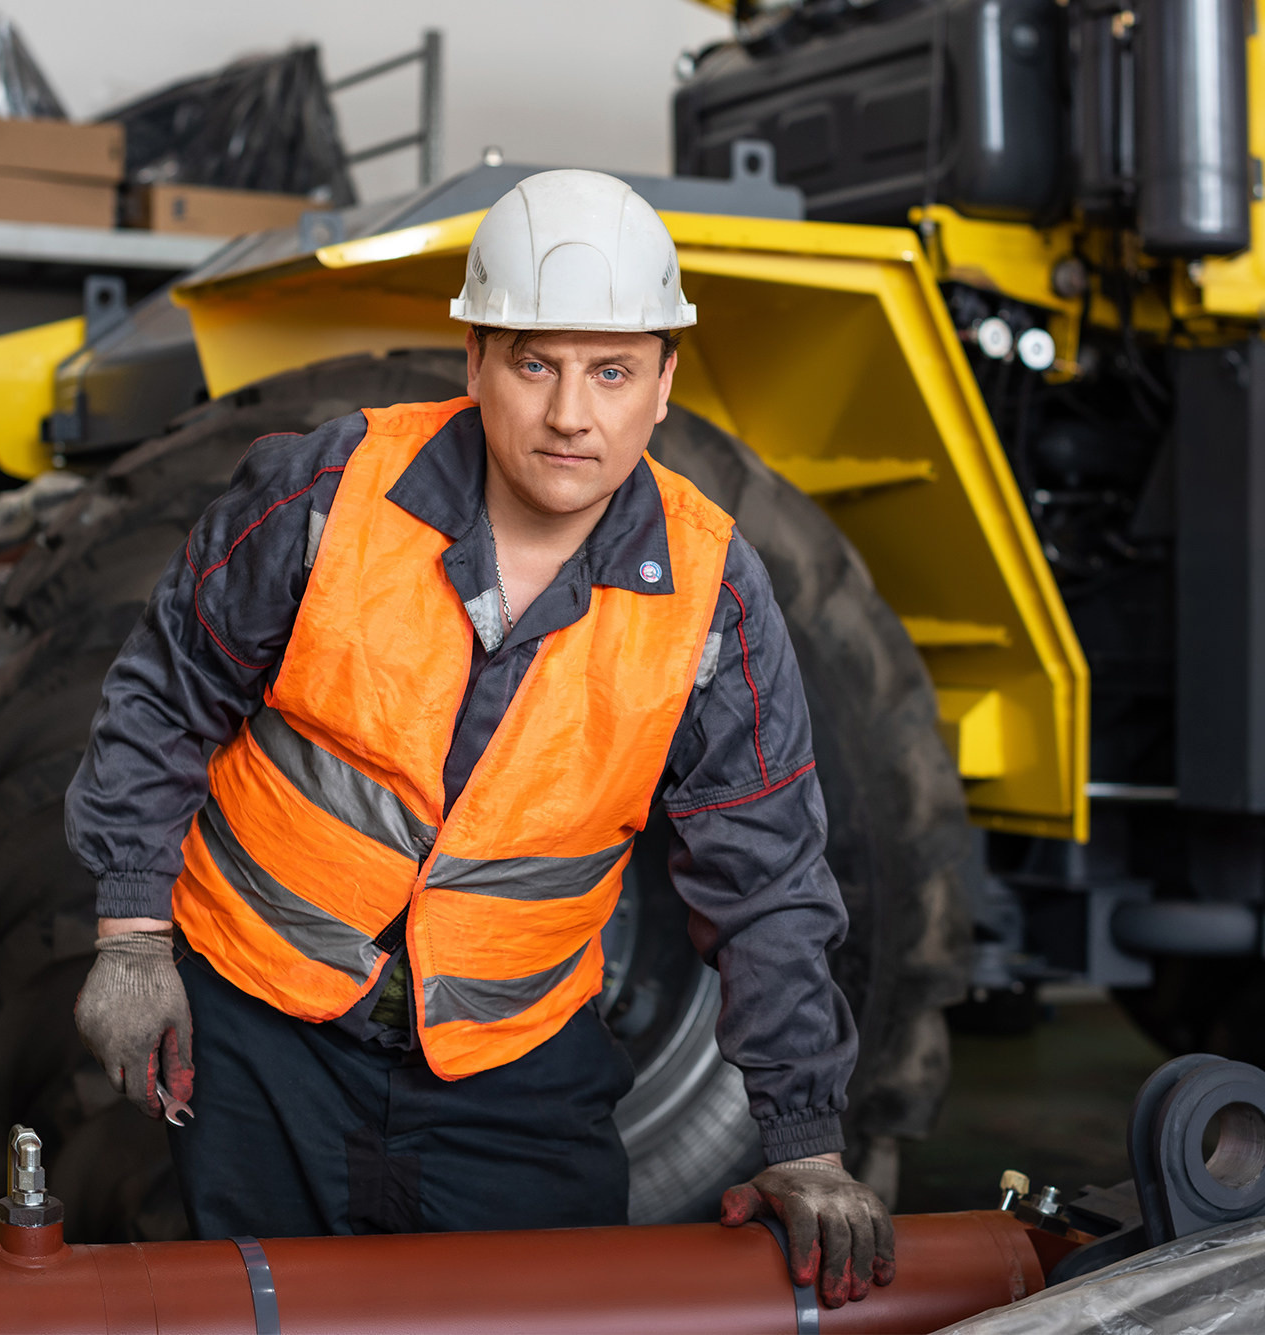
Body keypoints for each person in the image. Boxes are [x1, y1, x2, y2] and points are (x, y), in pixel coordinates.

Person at [66, 169, 894, 1307]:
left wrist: (801, 1140)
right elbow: (166, 693)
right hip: (262, 1029)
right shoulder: (326, 493)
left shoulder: (711, 596)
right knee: (263, 1315)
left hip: (516, 1067)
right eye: (534, 363)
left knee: (536, 1319)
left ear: (662, 386)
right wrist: (130, 935)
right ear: (473, 362)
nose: (570, 414)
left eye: (610, 372)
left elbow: (768, 880)